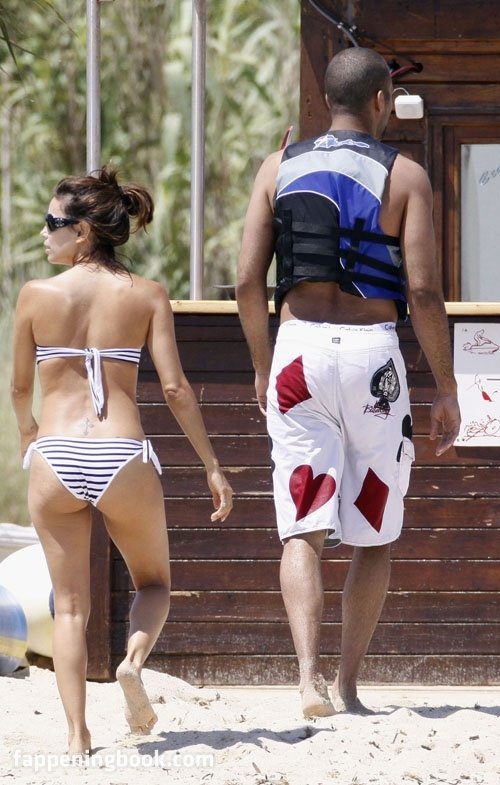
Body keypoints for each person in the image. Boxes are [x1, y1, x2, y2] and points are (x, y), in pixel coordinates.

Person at [236, 47, 460, 717]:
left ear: (328, 99)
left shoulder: (277, 166)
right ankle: (348, 686)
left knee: (301, 525)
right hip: (372, 363)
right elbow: (423, 292)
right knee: (375, 530)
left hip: (298, 355)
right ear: (381, 100)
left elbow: (247, 281)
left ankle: (306, 680)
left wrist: (261, 365)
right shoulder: (406, 175)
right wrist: (446, 386)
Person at [11, 167, 233, 755]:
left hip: (56, 451)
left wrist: (29, 432)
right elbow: (176, 389)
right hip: (121, 452)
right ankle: (132, 662)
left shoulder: (35, 295)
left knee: (70, 607)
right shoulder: (148, 293)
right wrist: (211, 464)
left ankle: (77, 737)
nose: (44, 233)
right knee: (154, 583)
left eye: (53, 222)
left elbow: (18, 388)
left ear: (83, 231)